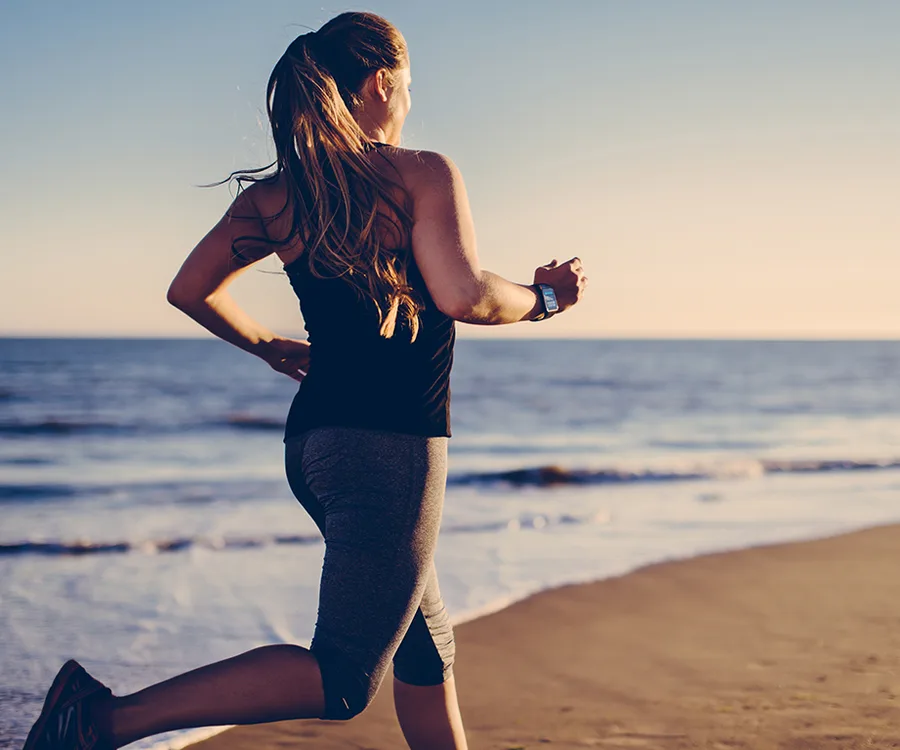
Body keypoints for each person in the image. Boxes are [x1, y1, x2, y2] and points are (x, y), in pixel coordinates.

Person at [23, 10, 587, 750]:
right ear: (383, 83)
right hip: (388, 452)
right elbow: (462, 295)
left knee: (424, 642)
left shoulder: (276, 198)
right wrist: (544, 300)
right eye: (408, 83)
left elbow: (189, 290)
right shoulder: (419, 173)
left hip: (313, 446)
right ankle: (98, 719)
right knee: (346, 676)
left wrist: (265, 346)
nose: (410, 98)